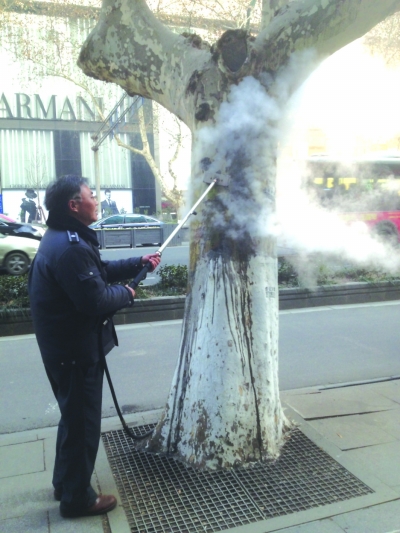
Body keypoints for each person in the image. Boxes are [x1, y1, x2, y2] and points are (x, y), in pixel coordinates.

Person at [28, 175, 160, 518]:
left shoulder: (62, 237)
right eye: (91, 195)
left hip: (62, 349)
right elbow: (96, 300)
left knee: (72, 419)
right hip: (74, 353)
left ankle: (65, 483)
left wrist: (138, 262)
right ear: (74, 205)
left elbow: (97, 271)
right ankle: (77, 500)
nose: (96, 200)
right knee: (84, 425)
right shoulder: (71, 247)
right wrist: (127, 293)